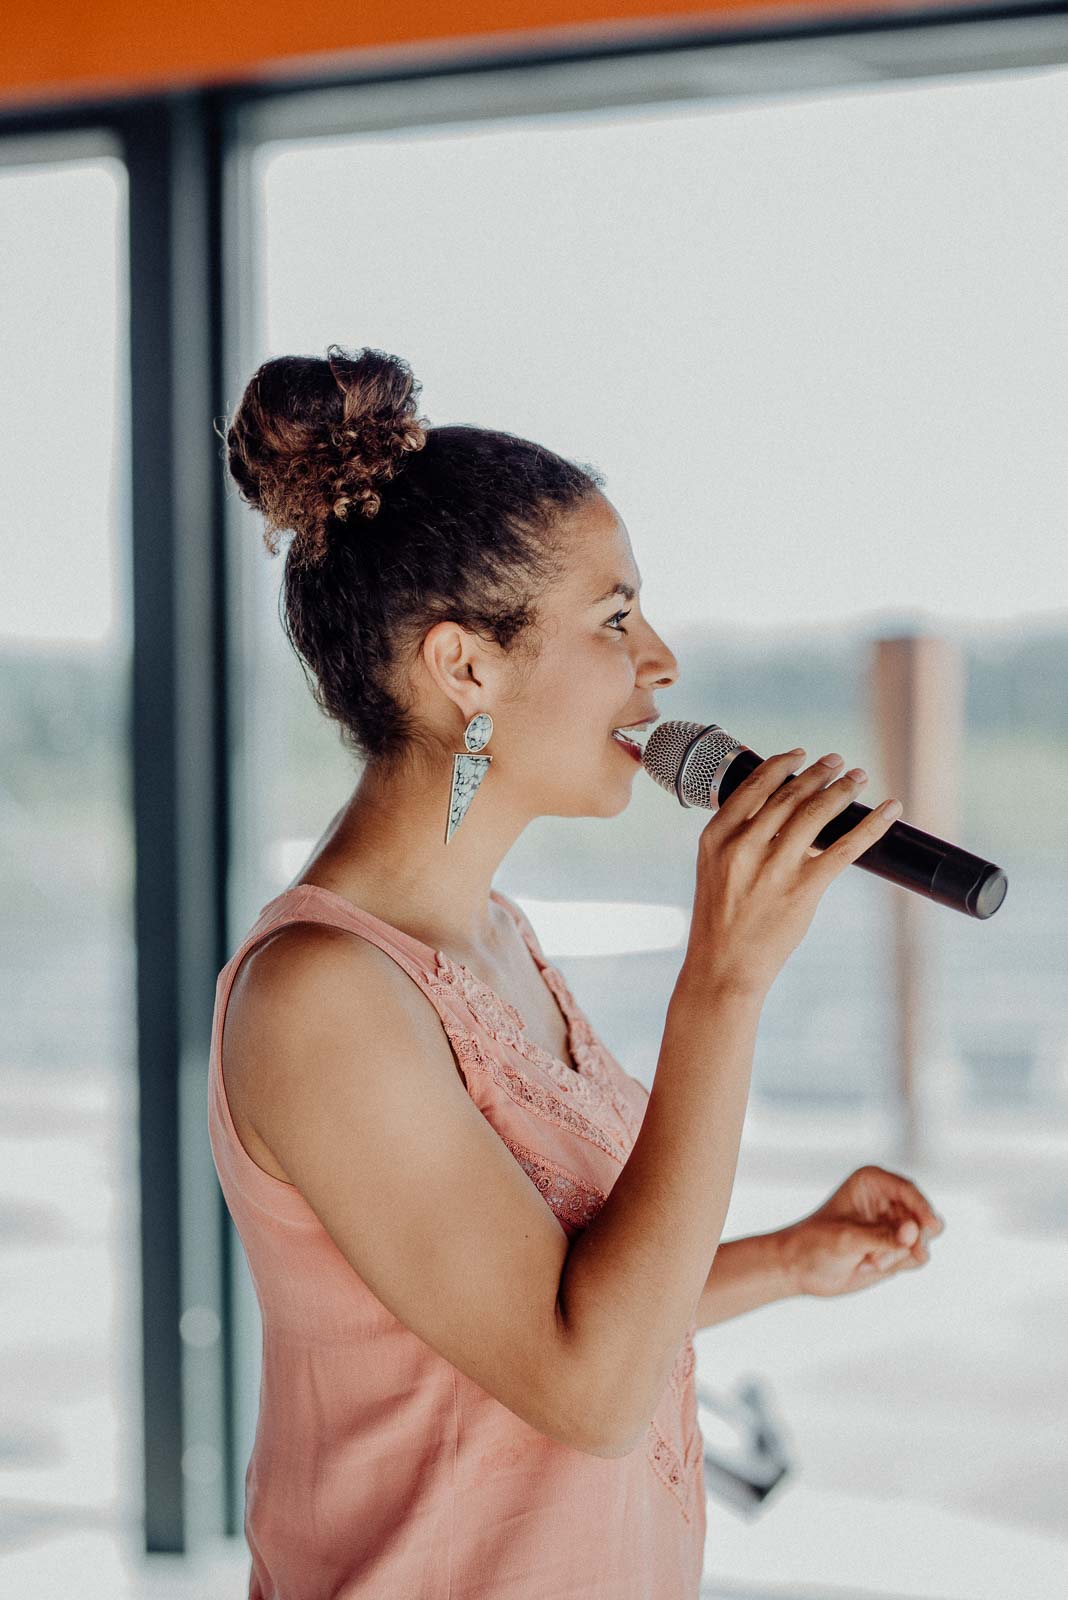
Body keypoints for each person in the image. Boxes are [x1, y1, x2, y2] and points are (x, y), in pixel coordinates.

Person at [209, 344, 943, 1599]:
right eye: (615, 619)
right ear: (466, 669)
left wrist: (787, 1258)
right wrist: (725, 981)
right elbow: (588, 1388)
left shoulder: (494, 935)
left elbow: (546, 1304)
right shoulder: (322, 998)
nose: (659, 663)